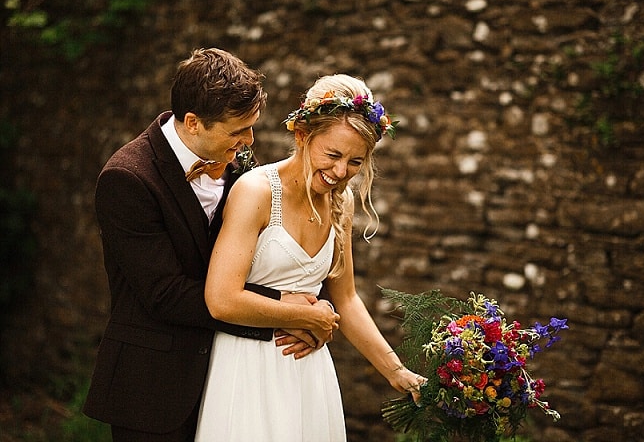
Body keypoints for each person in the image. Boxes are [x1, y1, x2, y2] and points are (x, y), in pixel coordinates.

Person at [83, 48, 337, 442]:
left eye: (251, 127)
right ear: (193, 122)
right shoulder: (127, 179)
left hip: (231, 381)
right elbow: (164, 294)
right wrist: (282, 310)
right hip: (155, 387)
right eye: (237, 131)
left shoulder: (239, 165)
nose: (249, 140)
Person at [194, 74, 425, 441]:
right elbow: (221, 299)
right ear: (302, 135)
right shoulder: (256, 191)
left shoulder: (342, 201)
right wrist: (308, 315)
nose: (339, 172)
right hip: (248, 369)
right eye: (332, 155)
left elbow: (345, 299)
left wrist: (396, 371)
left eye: (354, 162)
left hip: (309, 375)